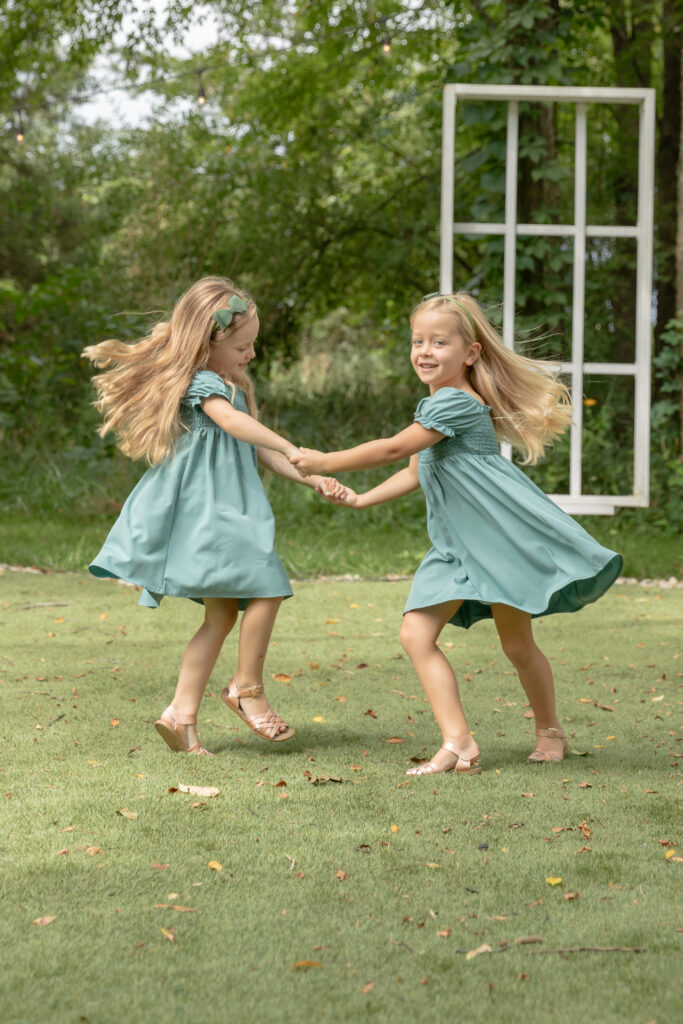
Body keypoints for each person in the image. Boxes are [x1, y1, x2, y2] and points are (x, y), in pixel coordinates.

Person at [290, 292, 622, 775]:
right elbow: (412, 468)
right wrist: (360, 499)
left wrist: (326, 461)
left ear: (470, 353)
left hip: (497, 540)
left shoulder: (457, 403)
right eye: (417, 340)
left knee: (516, 645)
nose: (424, 350)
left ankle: (550, 731)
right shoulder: (435, 402)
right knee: (415, 633)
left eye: (439, 342)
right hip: (456, 546)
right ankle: (459, 743)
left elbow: (391, 449)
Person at [83, 276, 344, 756]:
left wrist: (315, 476)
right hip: (213, 515)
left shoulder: (228, 386)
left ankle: (180, 716)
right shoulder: (203, 384)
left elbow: (263, 451)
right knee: (267, 587)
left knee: (221, 616)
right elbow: (232, 424)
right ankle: (246, 689)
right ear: (210, 340)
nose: (252, 355)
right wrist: (288, 442)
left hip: (223, 514)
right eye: (244, 345)